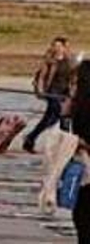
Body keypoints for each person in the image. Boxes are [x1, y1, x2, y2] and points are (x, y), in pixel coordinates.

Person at [25, 37, 73, 153]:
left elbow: (74, 78)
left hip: (65, 93)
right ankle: (63, 147)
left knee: (52, 119)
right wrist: (40, 90)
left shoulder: (70, 61)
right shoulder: (50, 62)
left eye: (59, 46)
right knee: (60, 115)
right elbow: (41, 77)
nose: (57, 48)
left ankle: (31, 138)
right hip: (52, 92)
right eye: (54, 46)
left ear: (64, 47)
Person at [70, 61, 90, 241]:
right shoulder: (78, 106)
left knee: (82, 215)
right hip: (84, 168)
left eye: (75, 82)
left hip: (86, 168)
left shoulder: (83, 109)